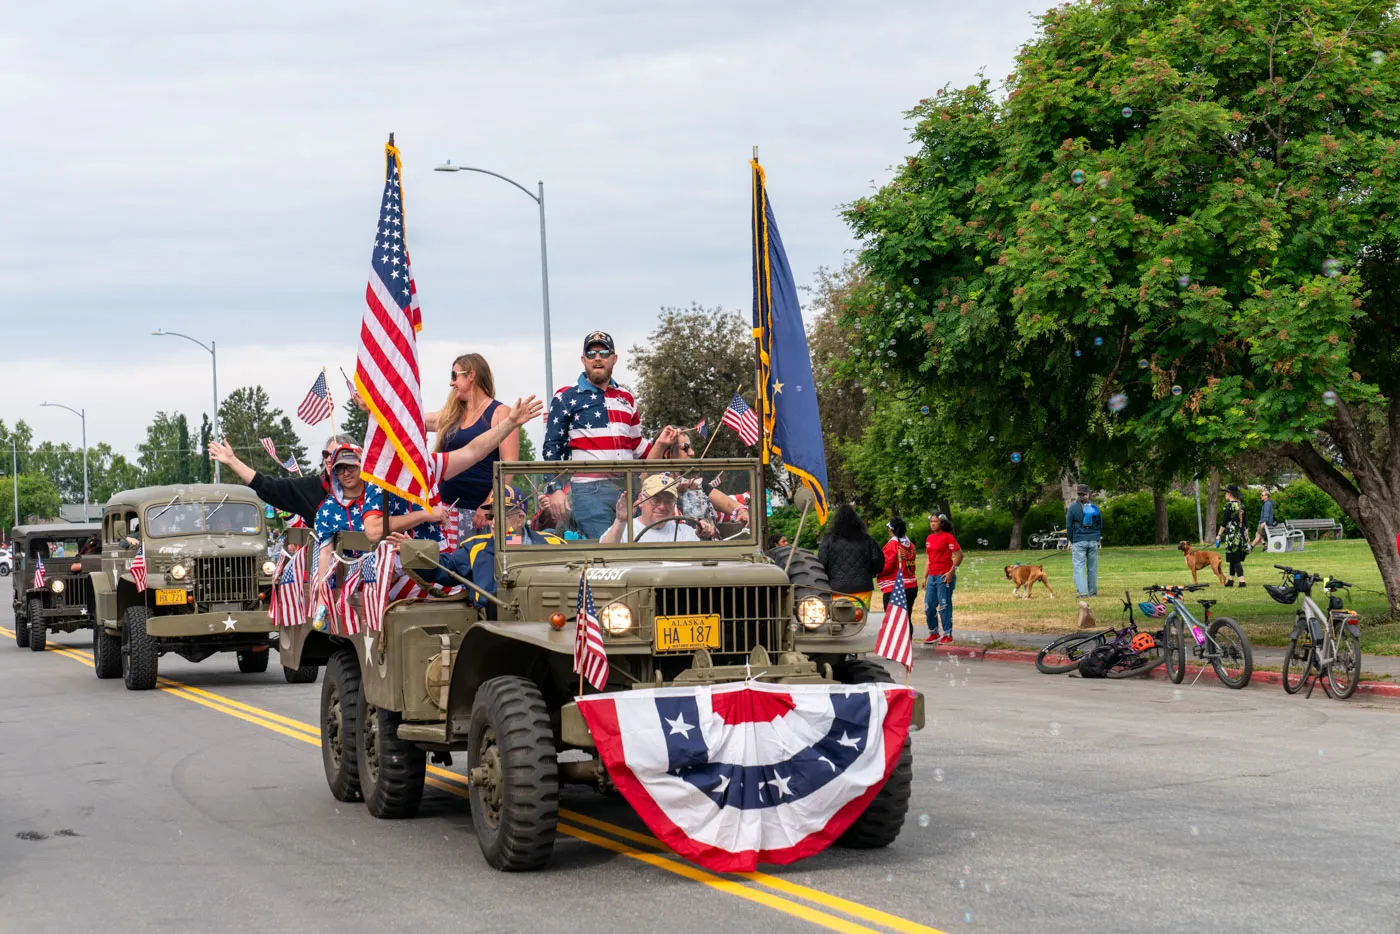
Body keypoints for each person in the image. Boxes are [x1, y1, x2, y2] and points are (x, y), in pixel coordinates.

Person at [542, 330, 670, 538]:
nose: (598, 358)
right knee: (608, 550)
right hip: (589, 489)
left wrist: (663, 445)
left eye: (604, 353)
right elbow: (552, 448)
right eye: (591, 354)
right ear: (583, 360)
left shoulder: (626, 398)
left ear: (614, 358)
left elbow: (637, 447)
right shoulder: (566, 396)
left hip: (628, 487)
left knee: (636, 546)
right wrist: (555, 489)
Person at [427, 353, 518, 530]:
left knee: (475, 557)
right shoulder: (452, 415)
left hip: (479, 513)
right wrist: (374, 407)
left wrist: (489, 505)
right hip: (445, 510)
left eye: (455, 376)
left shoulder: (501, 413)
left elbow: (509, 467)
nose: (451, 383)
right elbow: (413, 419)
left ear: (471, 376)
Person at [209, 433, 359, 527]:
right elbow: (268, 486)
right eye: (327, 454)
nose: (330, 460)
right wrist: (232, 461)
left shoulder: (373, 490)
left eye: (339, 455)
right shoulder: (312, 487)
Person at [600, 473, 703, 544]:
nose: (662, 506)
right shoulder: (624, 530)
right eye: (655, 500)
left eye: (668, 501)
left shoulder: (685, 532)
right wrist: (620, 521)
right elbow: (604, 556)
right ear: (641, 500)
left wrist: (705, 533)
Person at [818, 504, 884, 607]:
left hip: (837, 590)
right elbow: (878, 561)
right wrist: (869, 573)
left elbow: (821, 563)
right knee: (861, 620)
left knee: (840, 619)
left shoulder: (828, 540)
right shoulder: (867, 539)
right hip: (862, 589)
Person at [923, 514, 963, 644]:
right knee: (928, 606)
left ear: (942, 523)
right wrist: (924, 577)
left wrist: (951, 572)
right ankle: (934, 633)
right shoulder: (929, 538)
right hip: (932, 577)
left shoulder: (948, 537)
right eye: (931, 521)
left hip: (944, 576)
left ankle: (947, 634)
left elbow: (959, 555)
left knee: (944, 606)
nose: (932, 523)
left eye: (935, 521)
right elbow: (928, 559)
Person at [877, 516, 918, 620]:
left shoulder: (892, 545)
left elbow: (886, 566)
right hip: (911, 585)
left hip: (895, 587)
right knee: (906, 619)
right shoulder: (911, 545)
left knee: (894, 621)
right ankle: (909, 637)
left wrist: (875, 571)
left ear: (891, 530)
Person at [1066, 484, 1102, 598]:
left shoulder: (1072, 507)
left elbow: (1069, 526)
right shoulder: (1094, 507)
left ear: (1078, 493)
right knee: (1092, 568)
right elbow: (1100, 524)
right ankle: (1093, 593)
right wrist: (1097, 537)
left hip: (1079, 540)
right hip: (1093, 541)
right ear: (1087, 493)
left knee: (1079, 567)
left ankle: (1082, 593)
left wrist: (1072, 540)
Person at [1216, 485, 1249, 587]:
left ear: (1230, 494)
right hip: (1241, 534)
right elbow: (1246, 523)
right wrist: (1246, 537)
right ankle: (1230, 580)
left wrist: (1219, 535)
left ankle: (1242, 581)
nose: (1224, 495)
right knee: (1232, 558)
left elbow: (1224, 522)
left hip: (1232, 536)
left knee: (1235, 559)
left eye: (1225, 493)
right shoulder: (1241, 506)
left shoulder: (1229, 506)